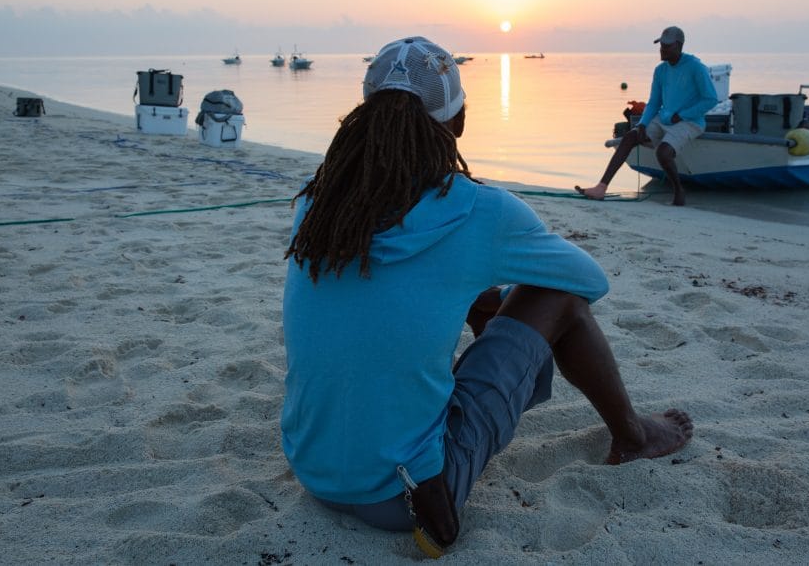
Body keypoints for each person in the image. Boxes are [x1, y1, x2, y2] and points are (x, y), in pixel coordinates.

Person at [280, 36, 693, 557]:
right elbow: (587, 282)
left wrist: (471, 290)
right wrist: (486, 290)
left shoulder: (318, 204)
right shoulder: (479, 211)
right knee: (558, 298)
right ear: (458, 123)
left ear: (364, 117)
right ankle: (633, 436)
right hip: (406, 497)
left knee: (450, 294)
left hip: (314, 471)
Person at [576, 26, 718, 206]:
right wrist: (642, 124)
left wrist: (683, 115)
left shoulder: (696, 67)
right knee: (629, 137)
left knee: (663, 153)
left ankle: (678, 191)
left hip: (690, 122)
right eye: (661, 45)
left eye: (667, 46)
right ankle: (601, 188)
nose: (662, 49)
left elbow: (711, 99)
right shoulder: (660, 70)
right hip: (664, 118)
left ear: (679, 46)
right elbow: (654, 102)